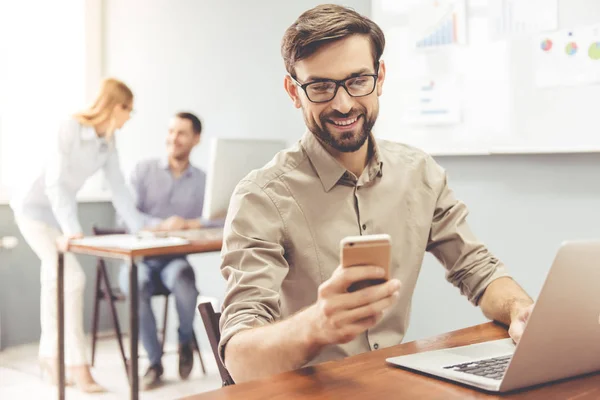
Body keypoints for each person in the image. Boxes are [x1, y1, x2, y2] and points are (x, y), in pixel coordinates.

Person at [218, 4, 535, 383]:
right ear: (293, 91)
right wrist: (316, 325)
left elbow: (478, 271)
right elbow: (239, 361)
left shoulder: (419, 173)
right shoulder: (262, 196)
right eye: (320, 86)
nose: (344, 104)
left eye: (357, 81)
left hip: (392, 383)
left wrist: (521, 310)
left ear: (380, 77)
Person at [10, 78, 148, 392]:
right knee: (72, 278)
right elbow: (55, 183)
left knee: (55, 280)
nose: (129, 117)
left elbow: (119, 189)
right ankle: (77, 366)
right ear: (117, 107)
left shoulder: (107, 141)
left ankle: (50, 357)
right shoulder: (69, 128)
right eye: (129, 110)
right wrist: (72, 229)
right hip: (33, 210)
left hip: (57, 214)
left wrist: (141, 229)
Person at [118, 112, 215, 390]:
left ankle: (185, 340)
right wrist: (158, 226)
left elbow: (222, 216)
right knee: (136, 286)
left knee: (185, 280)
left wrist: (192, 223)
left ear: (196, 139)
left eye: (182, 133)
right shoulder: (142, 170)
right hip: (140, 260)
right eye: (171, 131)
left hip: (174, 260)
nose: (173, 138)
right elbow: (125, 215)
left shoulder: (202, 181)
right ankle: (154, 363)